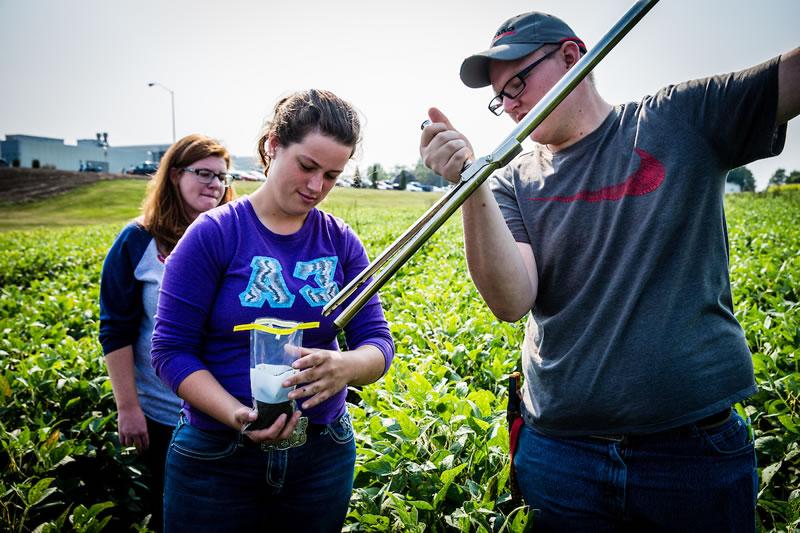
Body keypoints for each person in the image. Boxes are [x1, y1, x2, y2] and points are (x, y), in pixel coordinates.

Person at [420, 10, 800, 531]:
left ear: (573, 57)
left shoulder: (677, 117)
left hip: (692, 454)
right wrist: (471, 182)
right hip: (561, 455)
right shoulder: (511, 182)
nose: (510, 106)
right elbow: (511, 299)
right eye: (499, 97)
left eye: (518, 82)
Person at [151, 89, 395, 532]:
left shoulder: (340, 241)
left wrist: (345, 366)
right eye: (306, 166)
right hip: (217, 458)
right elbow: (170, 351)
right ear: (272, 146)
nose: (316, 186)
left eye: (332, 175)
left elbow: (377, 342)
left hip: (321, 455)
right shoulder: (215, 234)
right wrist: (236, 414)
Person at [99, 134, 236, 529]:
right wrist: (128, 408)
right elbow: (116, 329)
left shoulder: (233, 236)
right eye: (203, 173)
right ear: (175, 175)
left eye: (222, 177)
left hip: (229, 410)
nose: (215, 184)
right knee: (175, 512)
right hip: (164, 413)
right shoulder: (138, 240)